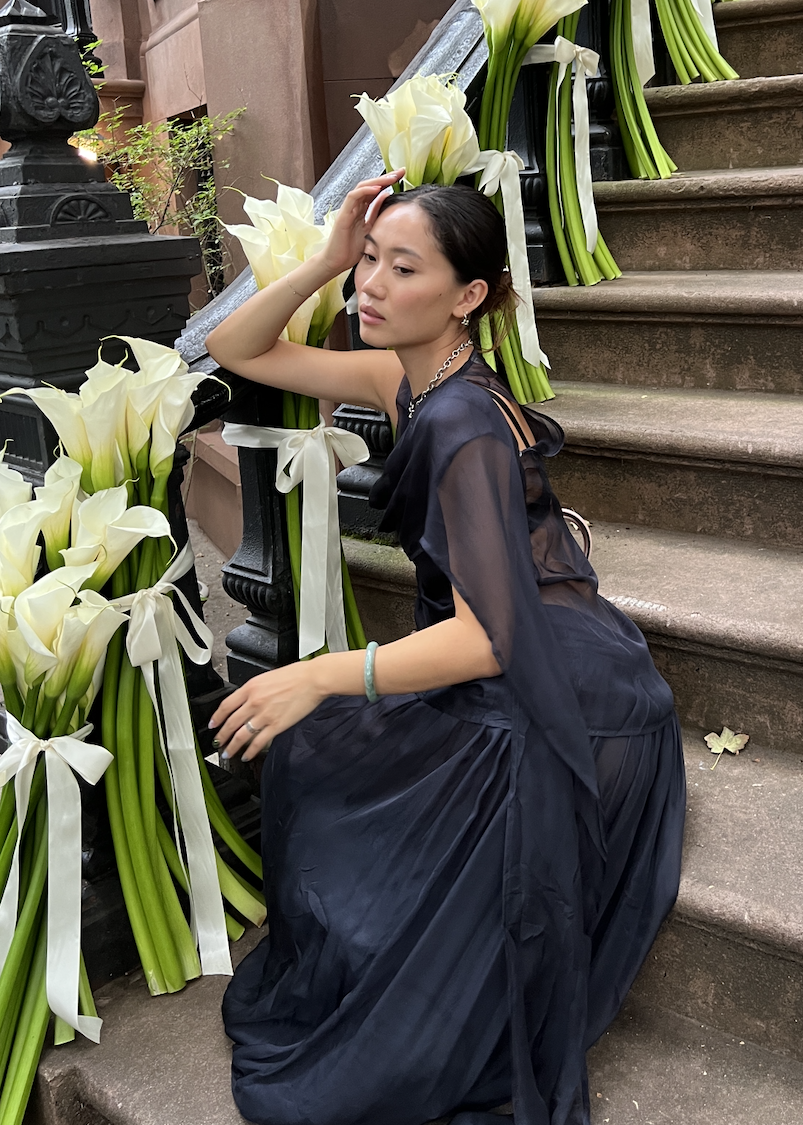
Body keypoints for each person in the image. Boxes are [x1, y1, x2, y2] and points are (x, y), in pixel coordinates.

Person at [205, 171, 686, 1125]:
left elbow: (485, 637)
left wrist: (320, 673)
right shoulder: (409, 376)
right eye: (372, 263)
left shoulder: (461, 420)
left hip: (561, 690)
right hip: (528, 640)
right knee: (322, 756)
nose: (372, 288)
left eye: (402, 268)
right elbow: (236, 349)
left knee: (322, 743)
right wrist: (327, 258)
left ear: (468, 296)